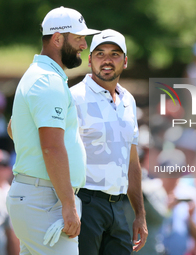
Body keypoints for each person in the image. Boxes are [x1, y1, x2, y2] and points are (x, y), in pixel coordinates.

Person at [6, 6, 99, 254]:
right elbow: (51, 146)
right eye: (79, 38)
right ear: (57, 38)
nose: (84, 45)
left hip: (38, 196)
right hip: (45, 200)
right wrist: (68, 204)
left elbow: (14, 129)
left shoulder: (40, 76)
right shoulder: (47, 81)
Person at [70, 29, 148, 254]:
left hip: (118, 207)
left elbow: (132, 162)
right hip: (84, 203)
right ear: (89, 60)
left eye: (114, 54)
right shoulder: (74, 97)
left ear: (125, 61)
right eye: (100, 53)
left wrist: (140, 215)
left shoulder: (129, 101)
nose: (107, 60)